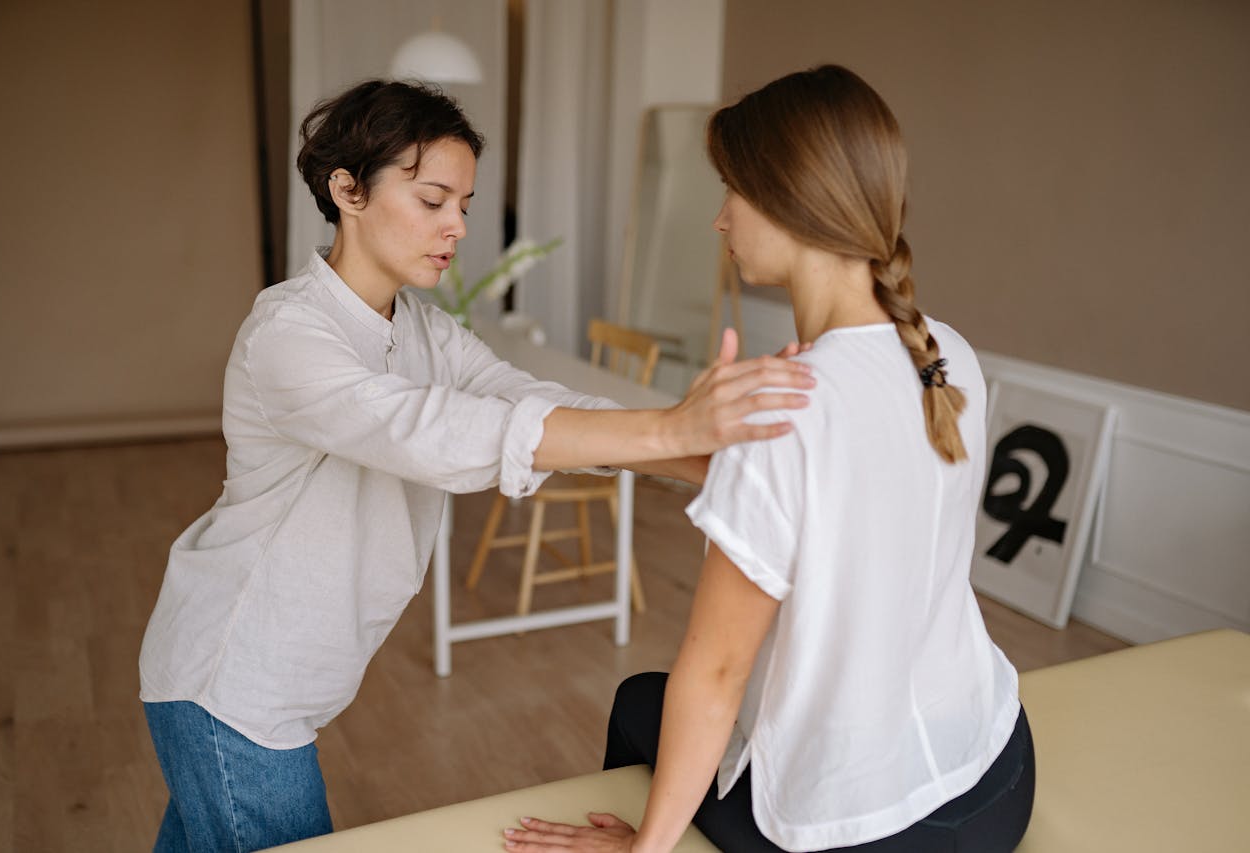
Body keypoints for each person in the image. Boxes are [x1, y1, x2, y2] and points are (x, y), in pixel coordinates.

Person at [137, 79, 816, 852]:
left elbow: (526, 397)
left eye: (464, 203)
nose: (458, 225)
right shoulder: (288, 335)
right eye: (433, 200)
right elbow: (436, 430)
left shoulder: (425, 329)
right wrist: (668, 430)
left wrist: (698, 453)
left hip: (269, 689)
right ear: (347, 190)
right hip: (236, 691)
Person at [503, 65, 1035, 853]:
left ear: (790, 201)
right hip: (997, 773)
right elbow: (852, 503)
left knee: (637, 703)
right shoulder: (945, 353)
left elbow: (716, 678)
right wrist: (688, 446)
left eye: (732, 190)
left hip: (872, 834)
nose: (720, 219)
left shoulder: (780, 411)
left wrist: (645, 847)